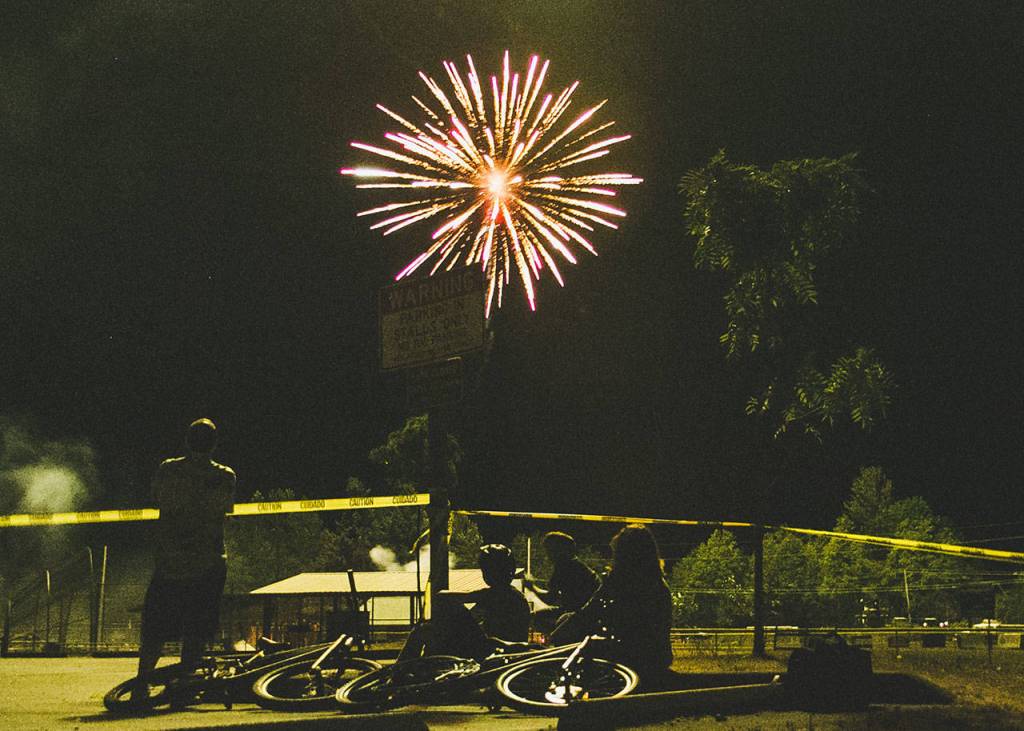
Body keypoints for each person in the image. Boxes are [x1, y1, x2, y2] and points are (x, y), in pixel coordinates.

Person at [132, 418, 236, 704]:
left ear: (187, 441)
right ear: (215, 444)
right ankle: (185, 686)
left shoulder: (168, 470)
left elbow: (159, 500)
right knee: (197, 629)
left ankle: (143, 682)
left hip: (171, 563)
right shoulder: (225, 476)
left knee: (155, 628)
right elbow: (222, 509)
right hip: (207, 564)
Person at [550, 524, 673, 683]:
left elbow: (590, 611)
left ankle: (578, 696)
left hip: (631, 654)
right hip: (658, 655)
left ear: (624, 555)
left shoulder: (621, 581)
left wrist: (560, 632)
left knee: (581, 651)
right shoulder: (658, 583)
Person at [399, 543, 531, 661]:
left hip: (490, 650)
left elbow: (444, 596)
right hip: (494, 648)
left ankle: (399, 672)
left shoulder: (494, 595)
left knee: (425, 629)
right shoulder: (514, 596)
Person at [522, 531, 601, 634]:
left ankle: (555, 640)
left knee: (534, 617)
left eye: (549, 550)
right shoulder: (576, 565)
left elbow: (550, 599)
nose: (547, 555)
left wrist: (531, 587)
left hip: (580, 615)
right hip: (584, 612)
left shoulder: (563, 567)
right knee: (540, 616)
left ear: (557, 551)